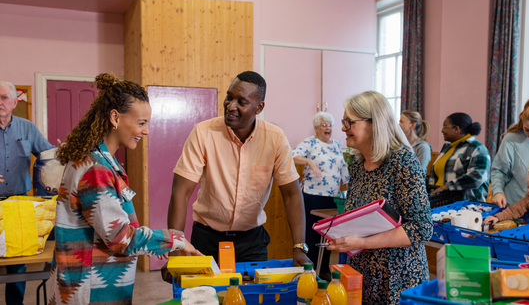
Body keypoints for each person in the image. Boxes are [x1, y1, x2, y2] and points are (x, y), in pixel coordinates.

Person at [48, 73, 202, 305]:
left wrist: (151, 242)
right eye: (141, 123)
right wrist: (175, 239)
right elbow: (121, 239)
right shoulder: (96, 170)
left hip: (85, 283)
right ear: (115, 118)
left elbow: (114, 224)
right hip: (90, 292)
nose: (146, 130)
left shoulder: (100, 160)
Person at [166, 71, 311, 273]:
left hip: (252, 241)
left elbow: (292, 194)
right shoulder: (203, 133)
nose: (231, 106)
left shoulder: (275, 139)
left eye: (241, 101)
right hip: (206, 238)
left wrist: (298, 247)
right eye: (229, 97)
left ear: (259, 107)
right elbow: (180, 193)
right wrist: (175, 247)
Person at [326, 91, 433, 305]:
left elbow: (422, 228)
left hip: (398, 277)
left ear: (375, 124)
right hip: (362, 275)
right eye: (343, 121)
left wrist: (363, 242)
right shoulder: (358, 165)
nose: (342, 128)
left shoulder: (402, 162)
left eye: (349, 122)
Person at [0, 81, 56, 305]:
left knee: (17, 259)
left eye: (4, 97)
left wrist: (62, 153)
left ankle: (15, 304)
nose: (0, 102)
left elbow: (49, 155)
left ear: (14, 102)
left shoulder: (28, 128)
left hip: (18, 204)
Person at [292, 111, 349, 279]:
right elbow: (292, 155)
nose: (328, 128)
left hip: (332, 198)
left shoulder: (337, 145)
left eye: (330, 125)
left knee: (327, 236)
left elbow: (343, 169)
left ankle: (323, 270)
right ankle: (308, 272)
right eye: (324, 125)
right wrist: (309, 161)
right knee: (311, 235)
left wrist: (350, 188)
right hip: (312, 196)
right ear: (316, 128)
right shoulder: (310, 142)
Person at [427, 113, 491, 202]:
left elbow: (477, 177)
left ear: (456, 129)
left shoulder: (478, 148)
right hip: (441, 204)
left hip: (465, 206)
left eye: (445, 127)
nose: (442, 131)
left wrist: (446, 187)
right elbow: (438, 174)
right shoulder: (447, 147)